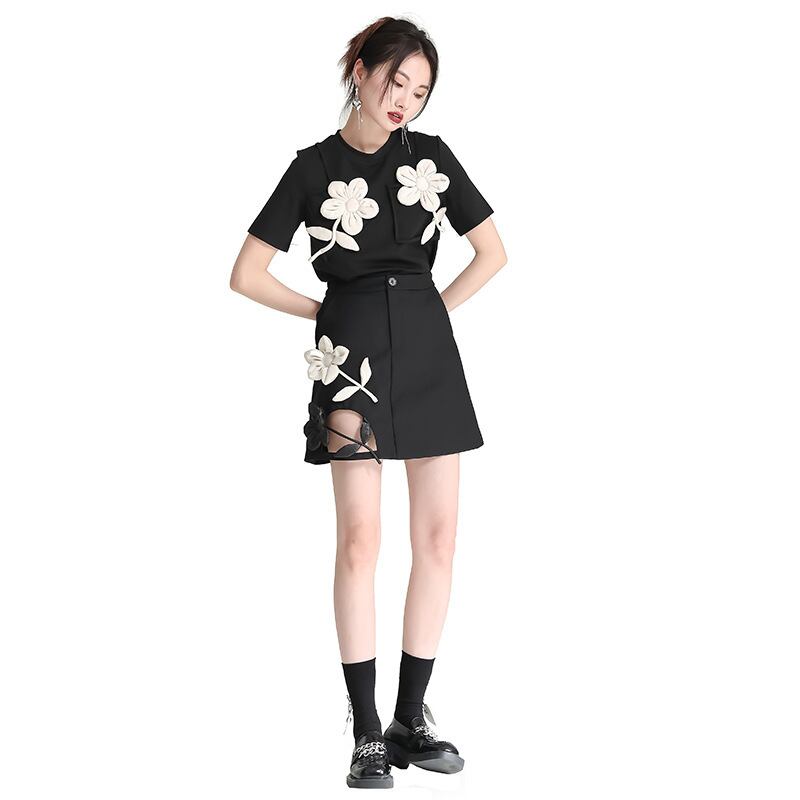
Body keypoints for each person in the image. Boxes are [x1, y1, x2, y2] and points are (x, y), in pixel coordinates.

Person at [229, 15, 507, 789]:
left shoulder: (432, 157)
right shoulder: (312, 167)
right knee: (359, 540)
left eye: (419, 90)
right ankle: (365, 731)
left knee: (439, 539)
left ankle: (411, 718)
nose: (404, 100)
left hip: (428, 355)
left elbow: (493, 252)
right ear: (360, 70)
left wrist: (428, 315)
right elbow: (246, 273)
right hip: (349, 361)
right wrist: (325, 312)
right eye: (396, 80)